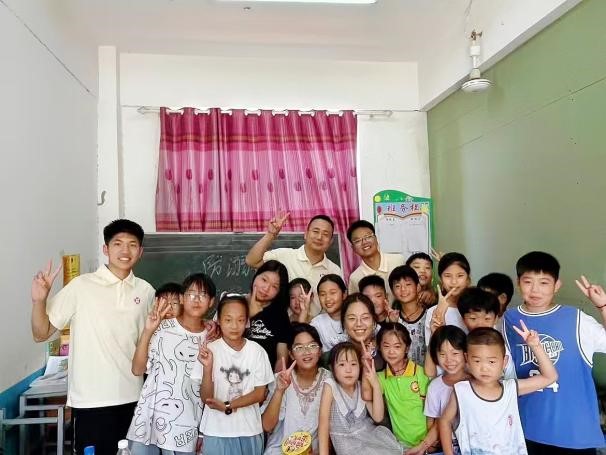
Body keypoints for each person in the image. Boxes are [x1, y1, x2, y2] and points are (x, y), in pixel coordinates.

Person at [30, 219, 156, 454]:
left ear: (140, 252)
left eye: (132, 244)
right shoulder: (81, 286)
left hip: (135, 398)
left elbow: (151, 340)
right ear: (106, 249)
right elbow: (41, 333)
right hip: (91, 401)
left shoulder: (146, 291)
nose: (125, 250)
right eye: (118, 243)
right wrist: (39, 300)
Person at [502, 252, 606, 454]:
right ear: (518, 283)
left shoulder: (576, 319)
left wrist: (602, 306)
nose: (535, 290)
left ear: (557, 285)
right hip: (527, 430)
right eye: (528, 282)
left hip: (575, 432)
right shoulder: (508, 320)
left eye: (544, 283)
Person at [127, 273, 216, 454]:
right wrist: (148, 331)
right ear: (182, 298)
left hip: (186, 426)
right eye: (191, 293)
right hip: (148, 420)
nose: (196, 299)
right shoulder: (162, 327)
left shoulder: (212, 338)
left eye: (203, 294)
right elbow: (137, 369)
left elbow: (208, 392)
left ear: (211, 302)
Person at [440, 326, 558, 455]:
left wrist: (536, 346)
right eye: (477, 361)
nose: (484, 368)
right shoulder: (461, 391)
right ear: (467, 359)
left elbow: (550, 377)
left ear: (504, 362)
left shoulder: (511, 389)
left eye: (491, 362)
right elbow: (445, 421)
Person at [193, 294, 274, 455]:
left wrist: (228, 406)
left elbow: (260, 393)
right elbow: (206, 398)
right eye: (228, 320)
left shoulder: (257, 351)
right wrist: (207, 368)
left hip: (249, 431)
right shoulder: (210, 351)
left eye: (240, 320)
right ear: (219, 320)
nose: (234, 326)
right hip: (216, 431)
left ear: (247, 322)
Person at [245, 213, 342, 317]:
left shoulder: (334, 270)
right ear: (305, 234)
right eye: (315, 231)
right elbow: (252, 261)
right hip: (277, 323)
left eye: (325, 234)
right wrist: (270, 234)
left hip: (315, 326)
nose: (319, 237)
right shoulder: (284, 255)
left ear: (331, 241)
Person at [318, 342, 404, 455]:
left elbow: (378, 417)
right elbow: (323, 425)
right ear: (332, 367)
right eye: (342, 364)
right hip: (347, 446)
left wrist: (375, 384)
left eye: (353, 364)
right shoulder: (330, 386)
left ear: (360, 366)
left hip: (370, 438)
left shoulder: (361, 386)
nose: (348, 370)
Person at [262, 323, 332, 454]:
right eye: (299, 347)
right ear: (291, 354)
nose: (306, 352)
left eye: (312, 346)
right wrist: (279, 390)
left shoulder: (330, 380)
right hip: (279, 450)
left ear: (320, 351)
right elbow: (267, 426)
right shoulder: (280, 379)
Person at [377, 323, 434, 454]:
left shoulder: (421, 373)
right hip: (401, 446)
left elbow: (432, 414)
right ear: (379, 347)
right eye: (386, 346)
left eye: (397, 346)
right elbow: (366, 395)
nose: (391, 351)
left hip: (428, 444)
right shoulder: (380, 378)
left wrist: (428, 443)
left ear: (407, 348)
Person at [424, 325, 469, 455]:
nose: (449, 360)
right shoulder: (435, 386)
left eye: (455, 353)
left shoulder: (475, 382)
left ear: (465, 354)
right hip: (446, 447)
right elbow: (431, 420)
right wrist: (431, 445)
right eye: (442, 354)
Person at [456, 287, 515, 379]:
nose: (480, 324)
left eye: (487, 319)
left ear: (496, 319)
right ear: (463, 320)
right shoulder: (460, 343)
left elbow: (511, 376)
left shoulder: (500, 345)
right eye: (473, 318)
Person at [246, 260, 291, 371]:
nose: (266, 289)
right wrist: (249, 315)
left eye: (274, 286)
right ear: (256, 276)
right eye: (264, 280)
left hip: (265, 377)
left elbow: (281, 358)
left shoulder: (280, 315)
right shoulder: (234, 303)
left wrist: (276, 380)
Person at [346, 220, 405, 301]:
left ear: (376, 239)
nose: (364, 242)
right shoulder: (355, 278)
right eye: (358, 240)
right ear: (353, 248)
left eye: (368, 237)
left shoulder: (398, 261)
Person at [424, 252, 471, 346]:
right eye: (447, 276)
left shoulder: (477, 307)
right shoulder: (433, 312)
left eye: (460, 275)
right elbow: (432, 351)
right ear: (441, 279)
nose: (454, 282)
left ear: (467, 278)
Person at [389, 265, 427, 366]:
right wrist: (393, 324)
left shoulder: (429, 315)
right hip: (403, 374)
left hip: (427, 372)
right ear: (392, 292)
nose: (403, 289)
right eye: (397, 286)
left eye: (408, 284)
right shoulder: (393, 318)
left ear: (418, 287)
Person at [341, 293, 385, 371]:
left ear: (374, 320)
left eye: (365, 318)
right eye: (352, 318)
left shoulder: (387, 350)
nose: (359, 324)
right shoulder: (337, 355)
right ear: (344, 322)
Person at [310, 274, 349, 354]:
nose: (327, 299)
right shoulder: (316, 324)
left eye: (332, 293)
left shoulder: (355, 318)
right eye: (323, 294)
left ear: (344, 294)